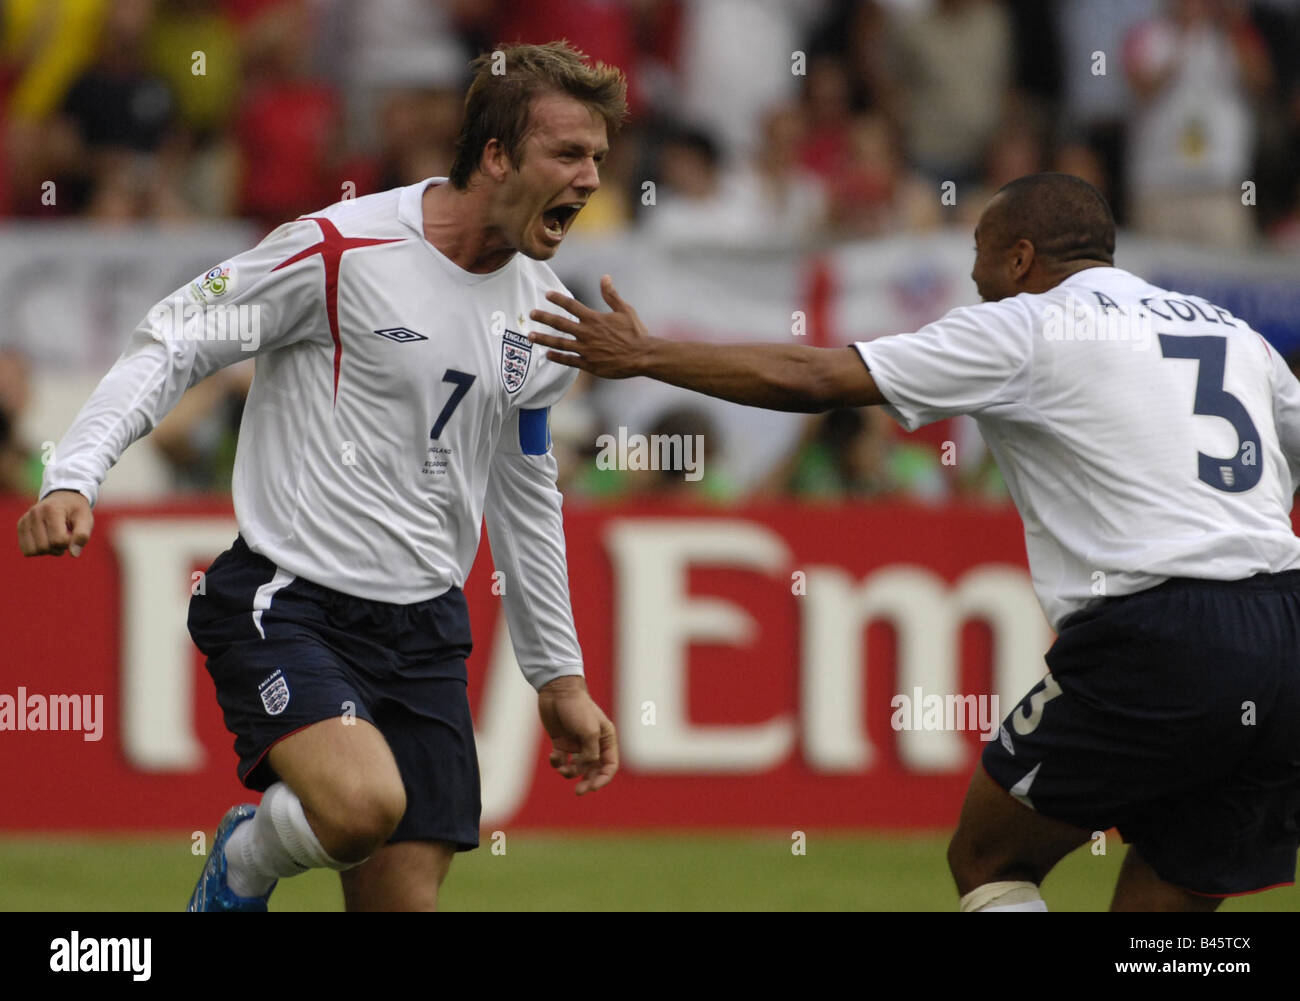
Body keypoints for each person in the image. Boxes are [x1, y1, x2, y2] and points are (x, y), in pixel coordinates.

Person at [529, 172, 1300, 911]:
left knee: (990, 857)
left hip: (1161, 631)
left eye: (980, 258)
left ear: (1021, 258)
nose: (973, 279)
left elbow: (815, 376)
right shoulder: (1234, 335)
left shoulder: (1028, 324)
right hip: (1284, 636)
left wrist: (645, 355)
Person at [17, 41, 626, 912]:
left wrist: (558, 677)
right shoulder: (343, 249)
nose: (591, 177)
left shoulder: (542, 315)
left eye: (600, 157)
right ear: (496, 156)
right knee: (360, 802)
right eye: (568, 153)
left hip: (425, 630)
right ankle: (244, 859)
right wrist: (74, 473)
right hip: (288, 596)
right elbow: (179, 334)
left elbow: (525, 494)